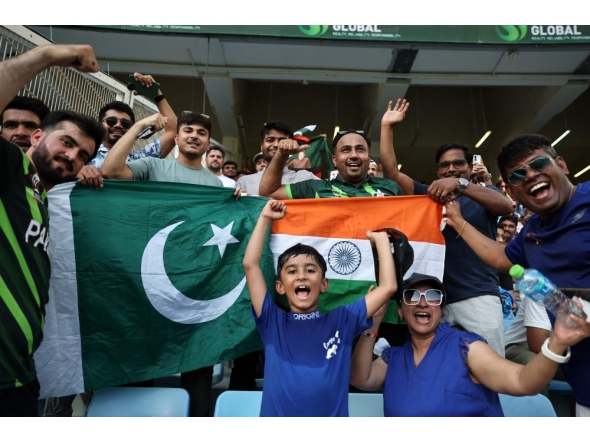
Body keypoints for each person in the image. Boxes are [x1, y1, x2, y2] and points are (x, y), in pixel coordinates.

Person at [101, 111, 241, 416]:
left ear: (207, 144)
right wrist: (139, 127)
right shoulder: (153, 166)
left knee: (199, 363)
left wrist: (239, 204)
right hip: (150, 282)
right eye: (188, 130)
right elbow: (110, 170)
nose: (194, 135)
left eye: (201, 133)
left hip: (197, 285)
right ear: (176, 138)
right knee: (143, 358)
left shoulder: (218, 188)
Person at [443, 133, 590, 416]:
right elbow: (501, 258)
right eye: (518, 175)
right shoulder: (533, 230)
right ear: (512, 190)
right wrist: (459, 222)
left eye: (539, 164)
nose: (530, 175)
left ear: (561, 164)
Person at [0, 43, 103, 417]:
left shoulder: (41, 198)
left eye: (83, 156)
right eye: (67, 142)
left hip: (20, 375)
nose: (73, 157)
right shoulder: (9, 170)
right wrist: (46, 56)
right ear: (36, 137)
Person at [350, 273, 589, 416]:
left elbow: (522, 381)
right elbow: (361, 379)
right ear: (400, 311)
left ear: (440, 309)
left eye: (433, 297)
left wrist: (557, 343)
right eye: (412, 296)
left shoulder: (466, 347)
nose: (423, 303)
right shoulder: (395, 357)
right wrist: (373, 324)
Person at [379, 99, 513, 356]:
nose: (451, 168)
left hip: (479, 296)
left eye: (458, 163)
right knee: (439, 367)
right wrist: (387, 127)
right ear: (437, 171)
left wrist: (462, 186)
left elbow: (505, 207)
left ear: (469, 167)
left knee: (491, 367)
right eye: (444, 165)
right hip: (435, 300)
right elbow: (392, 173)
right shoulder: (426, 195)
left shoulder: (484, 194)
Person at [243, 200, 397, 416]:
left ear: (324, 284)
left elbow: (389, 287)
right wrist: (265, 219)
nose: (302, 276)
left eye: (310, 270)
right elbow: (250, 265)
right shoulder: (272, 321)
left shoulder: (343, 320)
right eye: (292, 271)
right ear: (280, 286)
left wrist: (381, 241)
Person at [76, 72, 178, 188]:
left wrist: (156, 93)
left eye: (125, 123)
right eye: (111, 121)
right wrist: (75, 172)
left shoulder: (138, 162)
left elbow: (174, 132)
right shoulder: (81, 154)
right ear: (99, 125)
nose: (118, 125)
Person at [259, 129, 403, 199]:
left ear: (369, 157)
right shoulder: (314, 188)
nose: (353, 155)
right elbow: (268, 192)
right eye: (346, 150)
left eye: (360, 150)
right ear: (334, 160)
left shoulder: (391, 188)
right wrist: (280, 155)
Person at [504, 296, 567, 397]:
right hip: (518, 348)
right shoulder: (539, 292)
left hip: (561, 353)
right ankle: (538, 411)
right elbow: (538, 345)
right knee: (537, 364)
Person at [236, 120, 318, 196]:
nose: (276, 144)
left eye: (282, 141)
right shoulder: (244, 182)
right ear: (262, 147)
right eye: (270, 140)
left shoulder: (307, 177)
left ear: (291, 144)